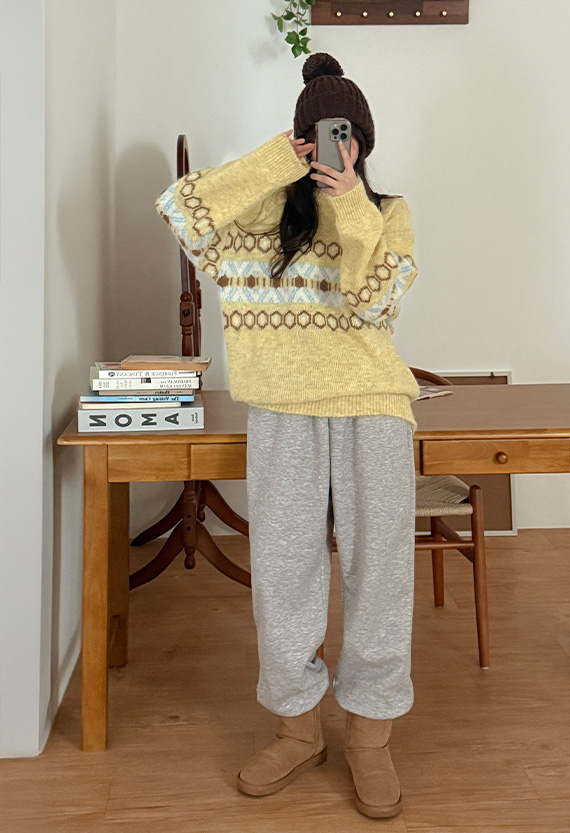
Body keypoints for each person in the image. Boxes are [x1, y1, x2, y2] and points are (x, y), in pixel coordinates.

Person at [155, 52, 420, 819]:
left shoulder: (387, 212)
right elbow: (178, 210)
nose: (339, 147)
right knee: (284, 574)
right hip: (281, 410)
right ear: (302, 138)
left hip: (373, 408)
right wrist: (275, 160)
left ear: (364, 141)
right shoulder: (254, 217)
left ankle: (370, 736)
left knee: (380, 577)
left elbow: (377, 303)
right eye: (324, 134)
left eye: (349, 135)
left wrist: (351, 204)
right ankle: (298, 729)